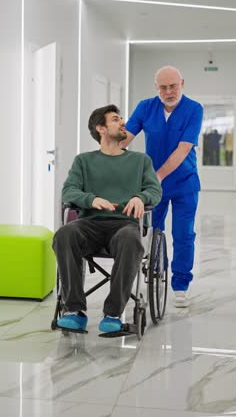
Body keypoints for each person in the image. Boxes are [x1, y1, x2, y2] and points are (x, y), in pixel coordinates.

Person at [52, 105, 162, 333]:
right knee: (64, 234)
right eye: (115, 119)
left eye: (122, 118)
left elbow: (155, 190)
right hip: (90, 224)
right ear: (100, 128)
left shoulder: (141, 161)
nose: (123, 122)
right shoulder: (84, 161)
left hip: (125, 225)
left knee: (131, 241)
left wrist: (141, 197)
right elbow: (68, 192)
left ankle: (113, 314)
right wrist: (90, 199)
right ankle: (74, 311)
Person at [120, 66, 203, 307]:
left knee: (183, 234)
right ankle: (156, 271)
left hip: (184, 183)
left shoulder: (194, 109)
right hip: (152, 185)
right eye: (163, 87)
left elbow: (183, 148)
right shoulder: (145, 107)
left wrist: (157, 175)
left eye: (173, 86)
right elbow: (127, 137)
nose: (168, 92)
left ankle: (180, 285)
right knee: (151, 231)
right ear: (156, 88)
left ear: (182, 83)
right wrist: (109, 151)